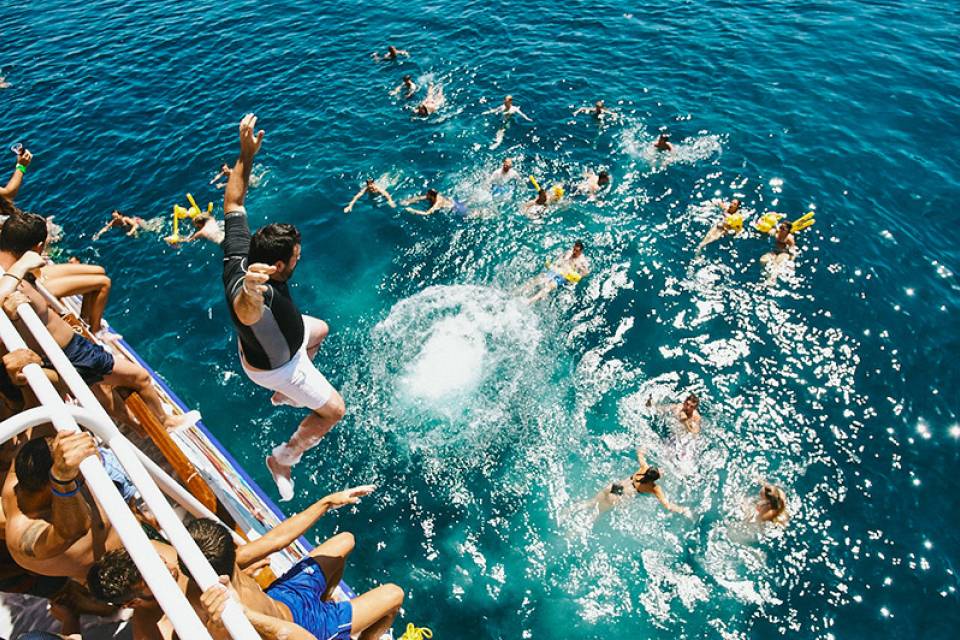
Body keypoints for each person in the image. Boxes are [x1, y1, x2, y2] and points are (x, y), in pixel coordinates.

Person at [220, 114, 345, 502]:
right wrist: (251, 294)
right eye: (296, 255)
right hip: (277, 368)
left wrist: (245, 154)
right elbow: (245, 311)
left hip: (278, 341)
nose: (299, 256)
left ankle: (287, 397)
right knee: (334, 411)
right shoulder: (259, 296)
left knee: (320, 328)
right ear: (278, 266)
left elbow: (234, 200)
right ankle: (283, 459)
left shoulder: (238, 253)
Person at [90, 496, 405, 640]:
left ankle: (327, 597)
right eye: (150, 576)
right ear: (133, 602)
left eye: (153, 561)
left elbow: (275, 540)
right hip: (308, 627)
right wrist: (218, 625)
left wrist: (325, 503)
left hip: (285, 596)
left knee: (345, 541)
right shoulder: (162, 628)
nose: (163, 565)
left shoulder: (194, 565)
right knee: (393, 595)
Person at [0, 215, 188, 430]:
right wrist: (23, 264)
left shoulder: (7, 272)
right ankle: (167, 421)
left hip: (64, 353)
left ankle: (138, 429)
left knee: (100, 388)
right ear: (39, 246)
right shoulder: (12, 277)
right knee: (140, 377)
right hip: (74, 353)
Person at [1, 431, 120, 582]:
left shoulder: (25, 466)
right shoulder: (22, 535)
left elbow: (40, 423)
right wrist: (62, 479)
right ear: (51, 487)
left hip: (136, 522)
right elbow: (72, 531)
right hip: (124, 574)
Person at [576, 449, 690, 519]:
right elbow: (667, 505)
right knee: (596, 513)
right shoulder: (654, 488)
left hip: (614, 487)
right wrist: (683, 510)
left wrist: (644, 447)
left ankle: (569, 510)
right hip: (619, 497)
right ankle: (573, 533)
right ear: (654, 479)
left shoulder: (643, 468)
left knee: (591, 502)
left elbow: (640, 454)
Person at [521, 240, 590, 303]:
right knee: (539, 278)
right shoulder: (569, 252)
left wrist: (577, 276)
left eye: (576, 251)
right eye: (574, 249)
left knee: (550, 285)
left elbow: (586, 272)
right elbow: (559, 258)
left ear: (581, 251)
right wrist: (554, 264)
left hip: (565, 276)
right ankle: (520, 290)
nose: (574, 252)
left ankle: (529, 301)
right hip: (558, 270)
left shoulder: (582, 261)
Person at [402, 188, 468, 217]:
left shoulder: (437, 204)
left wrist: (412, 210)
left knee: (467, 214)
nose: (426, 196)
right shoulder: (433, 196)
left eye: (428, 195)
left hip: (455, 207)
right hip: (453, 201)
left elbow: (426, 213)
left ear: (432, 197)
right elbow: (420, 198)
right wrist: (408, 201)